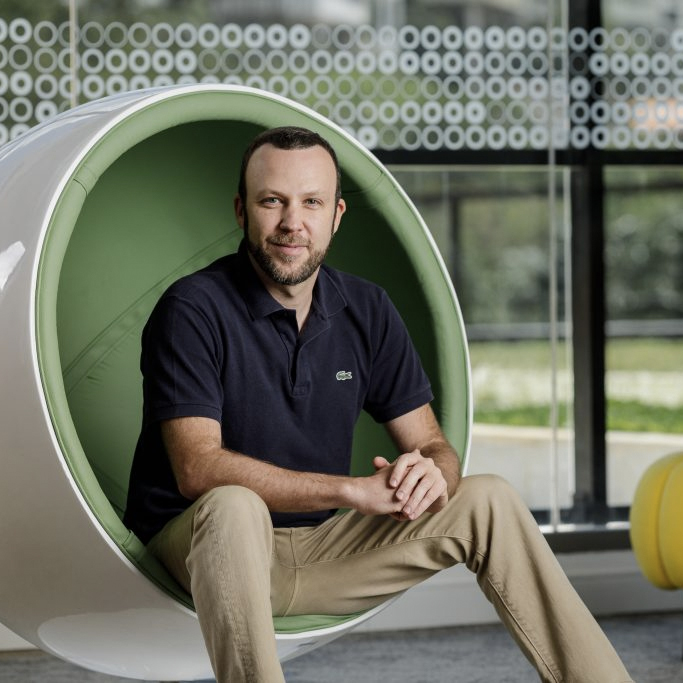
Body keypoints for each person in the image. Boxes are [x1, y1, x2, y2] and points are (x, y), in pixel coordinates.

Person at [124, 126, 633, 683]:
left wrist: (430, 475)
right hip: (200, 551)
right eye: (273, 201)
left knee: (489, 498)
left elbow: (434, 445)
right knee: (233, 506)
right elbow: (199, 469)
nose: (293, 222)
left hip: (318, 552)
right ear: (242, 211)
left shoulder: (367, 309)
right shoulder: (192, 308)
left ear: (336, 215)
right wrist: (350, 491)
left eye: (311, 202)